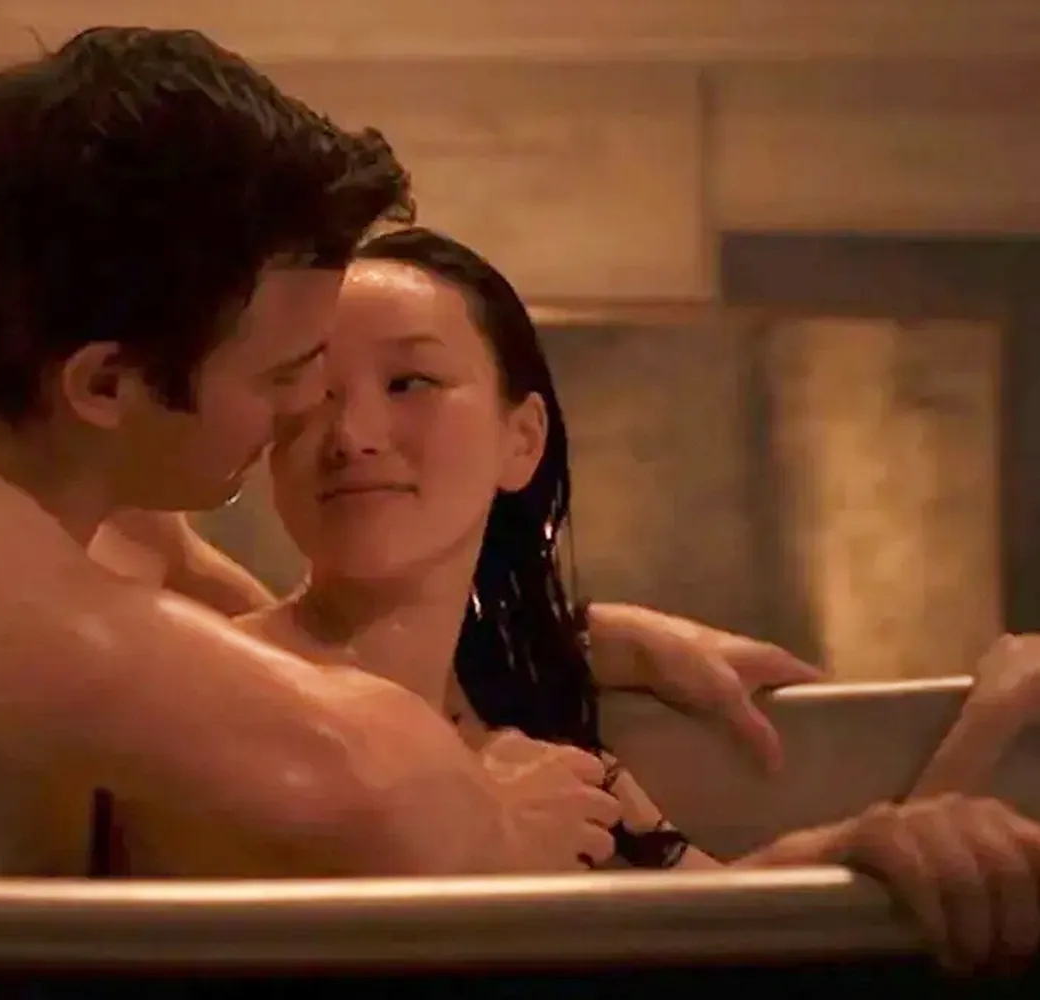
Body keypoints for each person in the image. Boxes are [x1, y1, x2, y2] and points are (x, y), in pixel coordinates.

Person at [0, 26, 748, 879]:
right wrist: (490, 817)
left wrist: (572, 632)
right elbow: (357, 767)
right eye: (283, 372)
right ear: (106, 384)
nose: (312, 407)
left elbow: (324, 646)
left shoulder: (104, 516)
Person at [139, 226, 1036, 971]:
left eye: (410, 382)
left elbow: (745, 936)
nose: (353, 434)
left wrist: (976, 738)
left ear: (521, 441)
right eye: (309, 392)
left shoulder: (541, 752)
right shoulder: (208, 693)